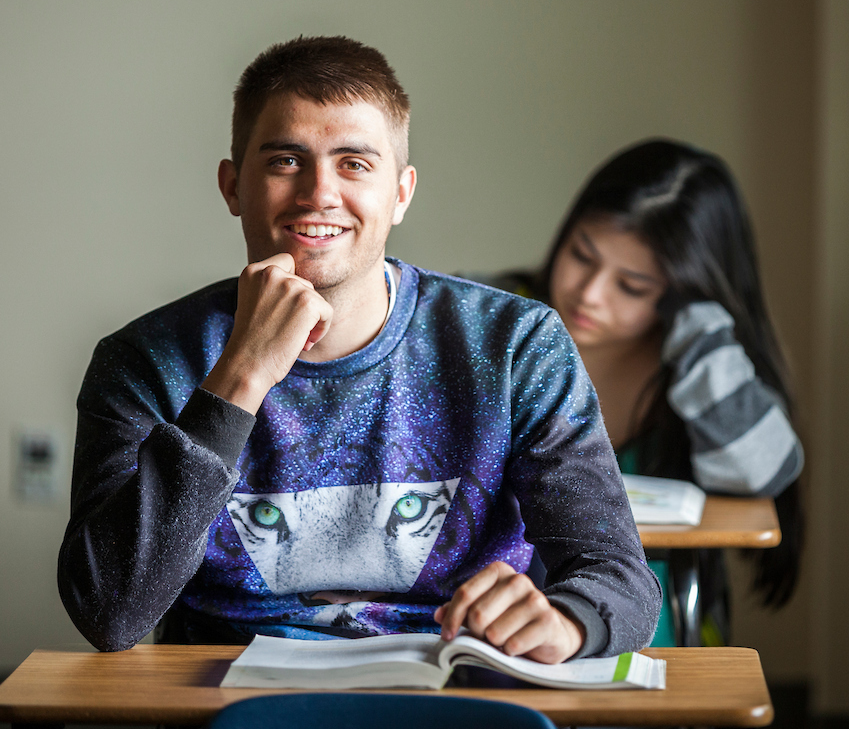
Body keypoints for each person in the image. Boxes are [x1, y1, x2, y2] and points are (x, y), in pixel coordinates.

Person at [56, 36, 659, 664]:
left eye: (354, 163)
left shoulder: (515, 344)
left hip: (456, 686)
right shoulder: (143, 361)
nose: (319, 193)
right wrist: (241, 376)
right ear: (233, 186)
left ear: (401, 191)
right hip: (228, 700)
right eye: (286, 160)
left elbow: (618, 576)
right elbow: (108, 613)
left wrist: (567, 621)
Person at [489, 139, 803, 646]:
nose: (589, 294)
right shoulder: (495, 317)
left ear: (683, 288)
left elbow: (760, 472)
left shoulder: (700, 366)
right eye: (581, 255)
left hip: (642, 635)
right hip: (488, 619)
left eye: (631, 286)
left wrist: (701, 330)